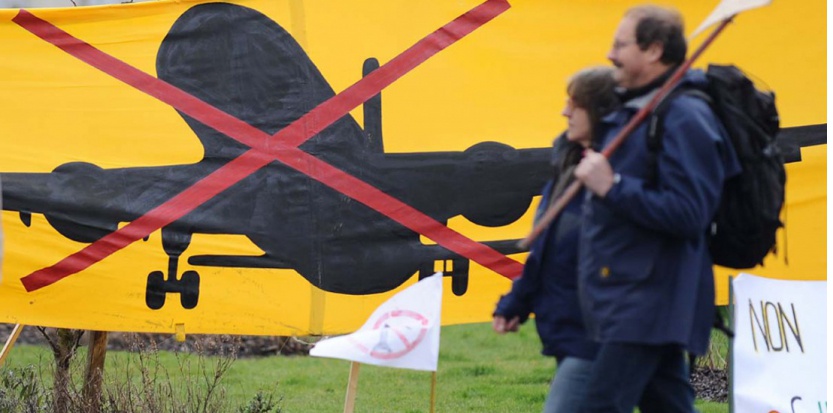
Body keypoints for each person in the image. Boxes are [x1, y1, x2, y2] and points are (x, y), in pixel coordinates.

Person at [573, 5, 740, 413]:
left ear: (653, 51)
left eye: (620, 45)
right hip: (635, 298)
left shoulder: (685, 116)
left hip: (649, 303)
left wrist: (612, 186)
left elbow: (690, 213)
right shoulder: (640, 109)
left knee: (596, 406)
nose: (610, 54)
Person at [492, 66, 619, 413]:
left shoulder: (619, 172)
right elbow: (547, 252)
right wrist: (516, 303)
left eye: (575, 105)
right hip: (571, 328)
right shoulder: (568, 166)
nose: (565, 112)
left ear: (600, 112)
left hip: (598, 334)